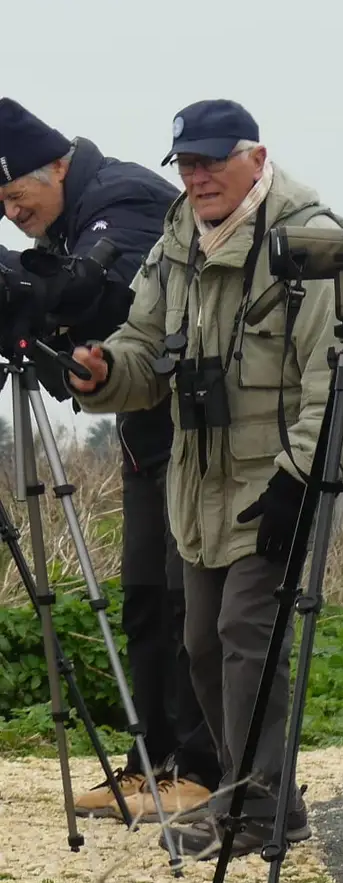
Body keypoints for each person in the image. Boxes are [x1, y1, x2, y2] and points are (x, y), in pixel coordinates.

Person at [69, 99, 343, 858]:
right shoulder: (178, 240)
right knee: (202, 641)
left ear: (256, 156)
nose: (198, 177)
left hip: (279, 480)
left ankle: (256, 807)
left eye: (212, 160)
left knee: (246, 634)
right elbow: (143, 350)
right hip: (197, 481)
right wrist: (103, 372)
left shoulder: (311, 239)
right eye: (187, 163)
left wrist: (299, 478)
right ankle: (261, 795)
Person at [0, 98, 221, 821]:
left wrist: (42, 295)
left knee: (186, 598)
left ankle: (199, 765)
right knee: (145, 599)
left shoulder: (121, 198)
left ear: (58, 164)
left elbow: (111, 299)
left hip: (198, 427)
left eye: (14, 193)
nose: (10, 212)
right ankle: (149, 762)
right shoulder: (75, 212)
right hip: (142, 431)